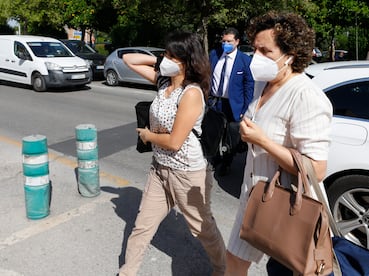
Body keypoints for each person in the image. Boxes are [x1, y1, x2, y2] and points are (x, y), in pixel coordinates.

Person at [224, 11, 333, 276]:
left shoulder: (306, 96)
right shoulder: (265, 83)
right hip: (254, 193)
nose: (256, 57)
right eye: (255, 49)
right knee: (234, 260)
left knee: (293, 267)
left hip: (290, 205)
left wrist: (262, 140)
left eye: (266, 51)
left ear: (291, 55)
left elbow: (316, 170)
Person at [119, 30, 226, 276]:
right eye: (164, 54)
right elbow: (129, 60)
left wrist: (148, 136)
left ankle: (223, 268)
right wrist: (160, 60)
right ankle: (127, 272)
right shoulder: (163, 81)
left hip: (187, 174)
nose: (164, 59)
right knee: (141, 227)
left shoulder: (192, 93)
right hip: (160, 169)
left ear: (186, 61)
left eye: (170, 55)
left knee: (202, 228)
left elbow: (175, 141)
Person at [209, 27, 254, 176]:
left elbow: (249, 86)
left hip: (234, 105)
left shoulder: (245, 60)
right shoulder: (215, 55)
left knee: (231, 136)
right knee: (214, 131)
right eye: (223, 41)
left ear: (237, 42)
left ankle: (227, 162)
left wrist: (245, 110)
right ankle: (214, 158)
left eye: (229, 41)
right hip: (215, 102)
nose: (225, 44)